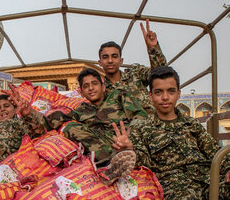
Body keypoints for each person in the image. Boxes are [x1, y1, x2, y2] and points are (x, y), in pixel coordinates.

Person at [113, 66, 230, 200]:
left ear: (178, 94)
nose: (165, 97)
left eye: (170, 91)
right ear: (151, 96)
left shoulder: (192, 124)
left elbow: (213, 151)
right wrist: (129, 149)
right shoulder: (143, 128)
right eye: (158, 92)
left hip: (208, 179)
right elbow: (144, 162)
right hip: (175, 185)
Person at [12, 67, 146, 176]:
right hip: (104, 149)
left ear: (103, 87)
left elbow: (140, 118)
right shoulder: (80, 111)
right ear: (81, 93)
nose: (91, 88)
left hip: (127, 143)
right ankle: (110, 166)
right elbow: (45, 125)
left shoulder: (118, 96)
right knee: (68, 127)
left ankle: (121, 160)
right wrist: (28, 113)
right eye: (86, 86)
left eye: (94, 84)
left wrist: (128, 139)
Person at [98, 19, 167, 114]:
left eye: (114, 56)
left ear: (121, 61)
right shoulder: (101, 90)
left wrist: (153, 48)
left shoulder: (135, 74)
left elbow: (160, 74)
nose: (110, 61)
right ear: (100, 63)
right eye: (105, 57)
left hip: (151, 125)